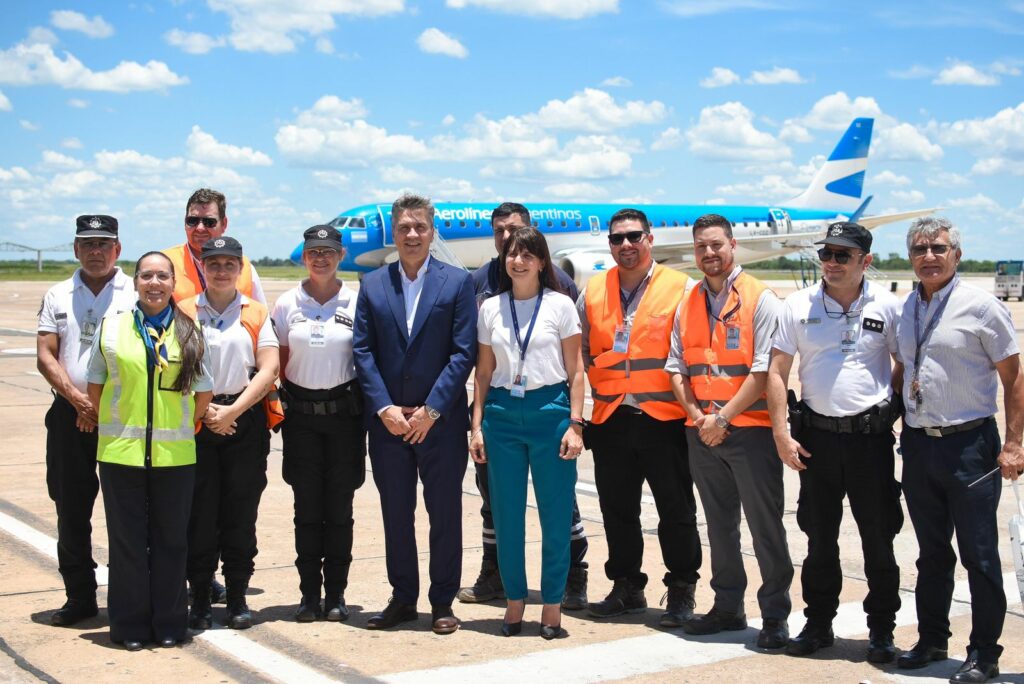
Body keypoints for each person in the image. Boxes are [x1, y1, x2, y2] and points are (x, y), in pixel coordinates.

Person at [766, 222, 903, 662]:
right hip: (817, 443)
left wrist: (888, 403)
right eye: (826, 254)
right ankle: (818, 624)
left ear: (866, 261)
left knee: (878, 540)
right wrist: (781, 433)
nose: (831, 262)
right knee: (819, 540)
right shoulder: (798, 305)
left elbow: (904, 362)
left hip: (870, 443)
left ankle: (881, 630)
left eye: (842, 255)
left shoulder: (889, 306)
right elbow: (777, 370)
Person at [895, 216, 1024, 684]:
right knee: (931, 554)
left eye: (938, 248)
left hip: (970, 445)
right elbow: (902, 369)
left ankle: (984, 653)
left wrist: (1013, 444)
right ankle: (932, 640)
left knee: (979, 555)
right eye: (920, 249)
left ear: (957, 255)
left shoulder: (982, 308)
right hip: (919, 445)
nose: (929, 256)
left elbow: (1014, 378)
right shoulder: (905, 307)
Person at [353, 194, 476, 635]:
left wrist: (432, 410)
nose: (411, 235)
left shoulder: (458, 283)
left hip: (438, 424)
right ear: (394, 230)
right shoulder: (372, 285)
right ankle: (403, 597)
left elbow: (463, 353)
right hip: (388, 425)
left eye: (419, 227)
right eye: (403, 227)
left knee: (444, 512)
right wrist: (385, 408)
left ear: (431, 231)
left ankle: (442, 600)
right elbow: (362, 351)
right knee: (396, 513)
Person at [666, 214, 791, 646]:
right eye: (701, 246)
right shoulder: (688, 301)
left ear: (733, 245)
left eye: (716, 245)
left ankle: (775, 614)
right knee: (719, 525)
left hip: (751, 431)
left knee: (764, 526)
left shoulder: (762, 298)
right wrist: (700, 417)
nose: (708, 253)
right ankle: (727, 606)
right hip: (702, 432)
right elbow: (675, 367)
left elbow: (764, 371)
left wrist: (722, 418)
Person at [461, 201, 589, 610]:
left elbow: (575, 368)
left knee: (558, 509)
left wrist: (577, 422)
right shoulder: (483, 291)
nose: (511, 249)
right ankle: (502, 583)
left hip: (548, 409)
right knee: (500, 508)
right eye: (501, 236)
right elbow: (480, 369)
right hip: (501, 412)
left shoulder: (561, 295)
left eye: (518, 240)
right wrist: (476, 425)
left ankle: (567, 585)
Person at [578, 208, 702, 625]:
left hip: (663, 418)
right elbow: (579, 354)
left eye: (634, 237)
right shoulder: (594, 289)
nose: (626, 245)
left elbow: (692, 351)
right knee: (617, 509)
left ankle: (682, 588)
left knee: (676, 509)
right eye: (617, 239)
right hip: (611, 417)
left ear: (650, 239)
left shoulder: (681, 287)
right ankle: (627, 586)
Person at [86, 252, 212, 651]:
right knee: (127, 543)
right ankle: (129, 626)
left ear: (174, 284)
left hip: (174, 457)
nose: (154, 283)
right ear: (135, 282)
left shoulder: (190, 331)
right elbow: (95, 385)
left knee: (171, 542)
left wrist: (180, 425)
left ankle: (171, 623)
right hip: (121, 454)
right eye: (146, 276)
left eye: (162, 276)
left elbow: (204, 391)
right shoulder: (112, 327)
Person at [36, 215, 136, 627]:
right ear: (76, 249)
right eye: (87, 244)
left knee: (129, 511)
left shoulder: (136, 291)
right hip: (69, 414)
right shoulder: (58, 294)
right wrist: (78, 401)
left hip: (123, 416)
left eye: (104, 244)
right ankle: (80, 596)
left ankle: (131, 596)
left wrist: (99, 405)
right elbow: (46, 353)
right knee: (71, 509)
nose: (96, 251)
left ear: (118, 248)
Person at [177, 237, 280, 631]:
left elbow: (268, 368)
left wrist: (233, 410)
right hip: (196, 422)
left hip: (244, 420)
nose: (221, 270)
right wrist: (206, 413)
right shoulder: (184, 311)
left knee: (240, 514)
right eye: (213, 263)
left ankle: (237, 596)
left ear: (240, 269)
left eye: (229, 264)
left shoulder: (255, 312)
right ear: (202, 267)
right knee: (199, 515)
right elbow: (174, 370)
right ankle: (200, 598)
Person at [271, 225, 366, 622]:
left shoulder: (358, 301)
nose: (321, 258)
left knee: (340, 509)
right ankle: (309, 595)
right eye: (314, 252)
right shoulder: (286, 303)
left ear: (340, 256)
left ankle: (337, 595)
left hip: (344, 417)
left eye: (328, 251)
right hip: (302, 420)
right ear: (304, 257)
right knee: (306, 509)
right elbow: (277, 356)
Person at [163, 188, 266, 305]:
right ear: (185, 222)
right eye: (192, 220)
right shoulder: (164, 264)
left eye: (209, 222)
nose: (200, 228)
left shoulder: (245, 267)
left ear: (224, 224)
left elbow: (261, 316)